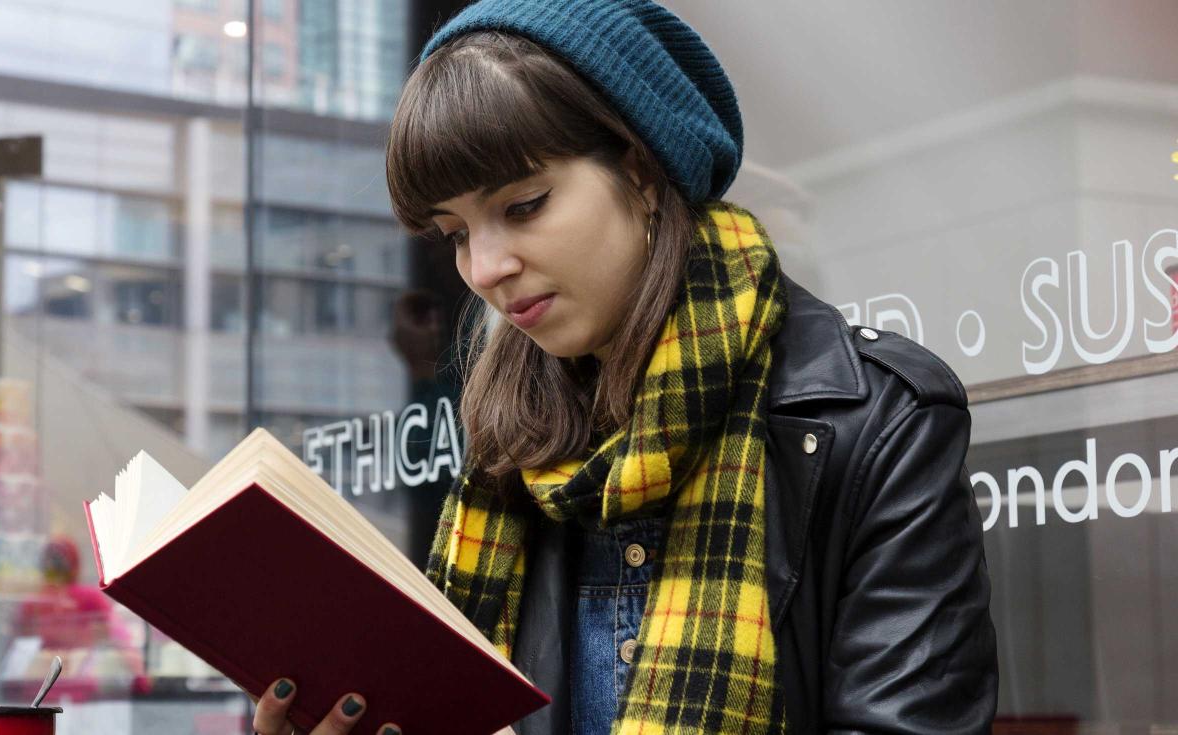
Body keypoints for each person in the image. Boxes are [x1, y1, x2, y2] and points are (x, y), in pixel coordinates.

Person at [251, 1, 998, 734]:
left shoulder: (880, 419)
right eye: (453, 233)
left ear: (640, 169)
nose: (483, 268)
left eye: (523, 205)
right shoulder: (509, 445)